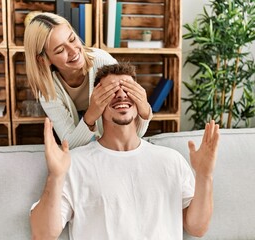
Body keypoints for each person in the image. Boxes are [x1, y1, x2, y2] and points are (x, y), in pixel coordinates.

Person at [30, 63, 220, 239]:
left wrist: (205, 175)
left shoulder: (171, 160)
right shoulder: (73, 164)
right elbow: (43, 234)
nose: (121, 95)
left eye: (129, 89)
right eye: (111, 90)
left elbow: (197, 228)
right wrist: (55, 177)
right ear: (96, 102)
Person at [24, 12, 152, 148]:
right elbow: (70, 145)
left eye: (72, 39)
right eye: (60, 50)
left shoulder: (104, 63)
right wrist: (91, 114)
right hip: (83, 127)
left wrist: (144, 110)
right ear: (43, 59)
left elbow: (135, 132)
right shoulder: (47, 89)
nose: (73, 51)